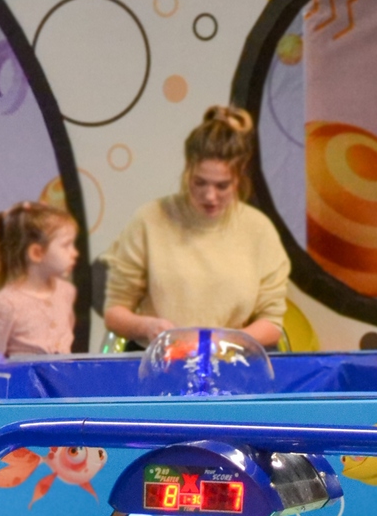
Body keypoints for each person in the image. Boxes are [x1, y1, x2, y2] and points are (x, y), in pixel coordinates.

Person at [103, 105, 289, 349]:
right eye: (200, 182)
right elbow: (115, 312)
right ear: (187, 170)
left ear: (239, 178)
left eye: (222, 186)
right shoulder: (149, 219)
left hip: (232, 361)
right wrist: (147, 326)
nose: (210, 196)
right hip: (161, 360)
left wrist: (218, 343)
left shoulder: (259, 230)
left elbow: (271, 323)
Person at [0, 202, 78, 358]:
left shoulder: (66, 292)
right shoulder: (4, 306)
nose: (75, 253)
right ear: (37, 253)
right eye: (66, 245)